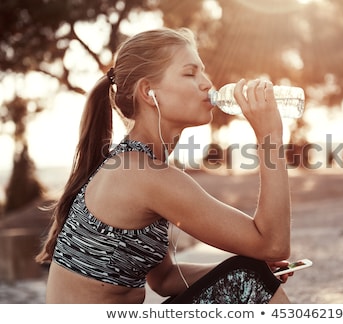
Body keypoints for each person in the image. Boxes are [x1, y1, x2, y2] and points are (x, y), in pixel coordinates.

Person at [36, 27, 293, 304]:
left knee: (250, 274)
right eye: (189, 73)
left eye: (202, 71)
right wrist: (270, 137)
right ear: (149, 92)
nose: (207, 83)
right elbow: (273, 244)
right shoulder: (142, 173)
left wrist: (248, 267)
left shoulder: (138, 163)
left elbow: (164, 278)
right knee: (251, 283)